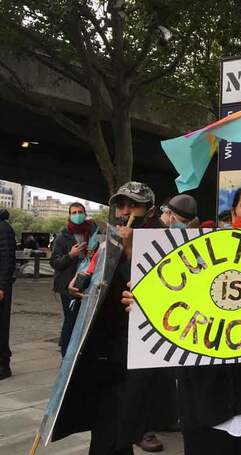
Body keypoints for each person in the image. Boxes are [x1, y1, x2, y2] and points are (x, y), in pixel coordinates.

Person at [123, 180, 241, 455]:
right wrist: (145, 302)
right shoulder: (202, 256)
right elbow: (173, 303)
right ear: (233, 214)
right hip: (206, 402)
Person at [56, 182, 169, 454]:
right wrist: (77, 282)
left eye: (134, 205)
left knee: (120, 426)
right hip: (102, 346)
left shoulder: (162, 242)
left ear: (149, 210)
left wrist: (130, 250)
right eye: (121, 205)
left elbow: (160, 291)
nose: (125, 211)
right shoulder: (106, 237)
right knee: (104, 425)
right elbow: (92, 272)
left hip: (133, 350)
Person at [50, 202, 99, 356]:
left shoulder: (92, 232)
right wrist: (71, 255)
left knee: (85, 320)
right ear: (69, 215)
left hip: (87, 283)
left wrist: (93, 254)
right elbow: (55, 263)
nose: (77, 215)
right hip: (67, 286)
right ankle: (66, 355)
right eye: (74, 212)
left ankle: (82, 353)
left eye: (80, 212)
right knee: (70, 320)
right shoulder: (62, 237)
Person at [0, 209, 16, 380]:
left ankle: (3, 365)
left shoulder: (3, 228)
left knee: (1, 327)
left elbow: (7, 259)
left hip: (1, 286)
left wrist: (2, 287)